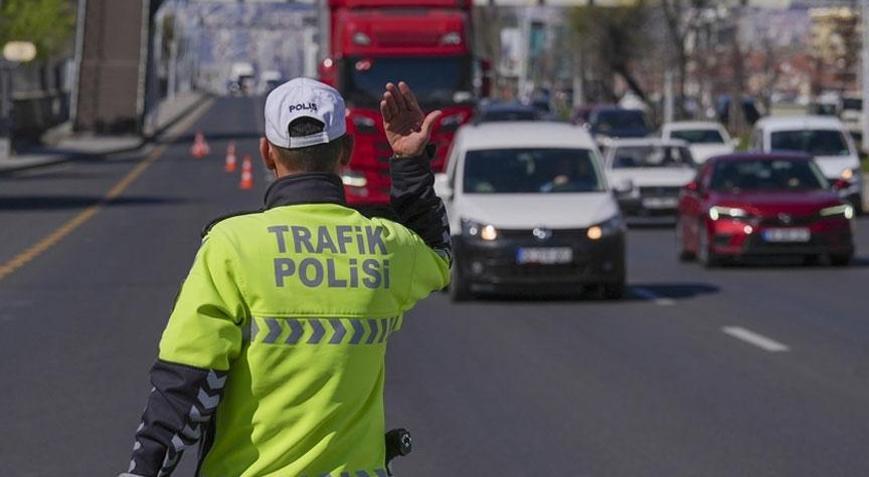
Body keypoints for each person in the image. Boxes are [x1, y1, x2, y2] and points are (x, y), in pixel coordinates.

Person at [119, 78, 451, 477]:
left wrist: (143, 470)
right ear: (347, 151)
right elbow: (439, 255)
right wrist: (410, 162)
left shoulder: (232, 246)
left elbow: (186, 384)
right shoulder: (385, 245)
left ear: (266, 153)